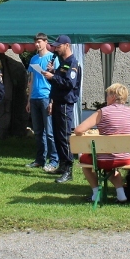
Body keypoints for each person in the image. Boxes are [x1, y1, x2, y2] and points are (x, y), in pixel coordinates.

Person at [73, 83, 130, 203]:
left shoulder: (102, 112)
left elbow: (78, 130)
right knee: (109, 164)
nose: (106, 98)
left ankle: (95, 193)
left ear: (113, 97)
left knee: (83, 159)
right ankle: (121, 195)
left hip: (106, 158)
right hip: (127, 157)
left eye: (107, 95)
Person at [43, 35, 81, 184]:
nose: (56, 48)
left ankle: (68, 170)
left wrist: (53, 77)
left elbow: (69, 83)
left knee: (64, 137)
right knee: (58, 136)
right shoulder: (63, 63)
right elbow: (59, 82)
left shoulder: (72, 63)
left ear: (67, 45)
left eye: (59, 46)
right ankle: (62, 165)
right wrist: (52, 73)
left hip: (65, 104)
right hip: (58, 102)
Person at [26, 33, 60, 172]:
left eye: (39, 42)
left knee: (50, 132)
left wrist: (52, 101)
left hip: (47, 97)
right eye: (36, 42)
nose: (37, 44)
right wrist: (28, 100)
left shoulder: (53, 58)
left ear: (46, 42)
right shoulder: (33, 59)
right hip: (34, 98)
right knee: (38, 132)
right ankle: (40, 160)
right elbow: (31, 80)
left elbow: (57, 80)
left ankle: (54, 160)